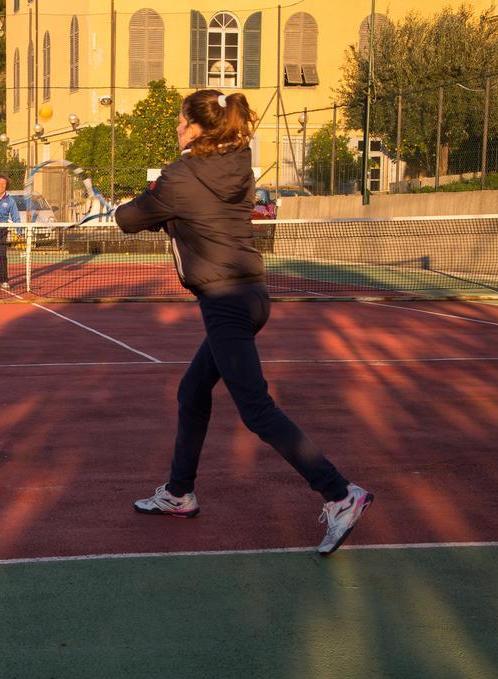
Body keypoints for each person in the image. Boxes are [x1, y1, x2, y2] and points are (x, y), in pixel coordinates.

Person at [114, 89, 373, 556]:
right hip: (252, 295)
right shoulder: (238, 164)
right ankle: (179, 491)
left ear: (197, 128)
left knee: (257, 411)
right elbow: (199, 214)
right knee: (192, 391)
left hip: (226, 302)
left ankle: (339, 493)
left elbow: (128, 218)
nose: (176, 127)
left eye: (180, 120)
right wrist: (171, 217)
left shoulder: (179, 177)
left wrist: (156, 211)